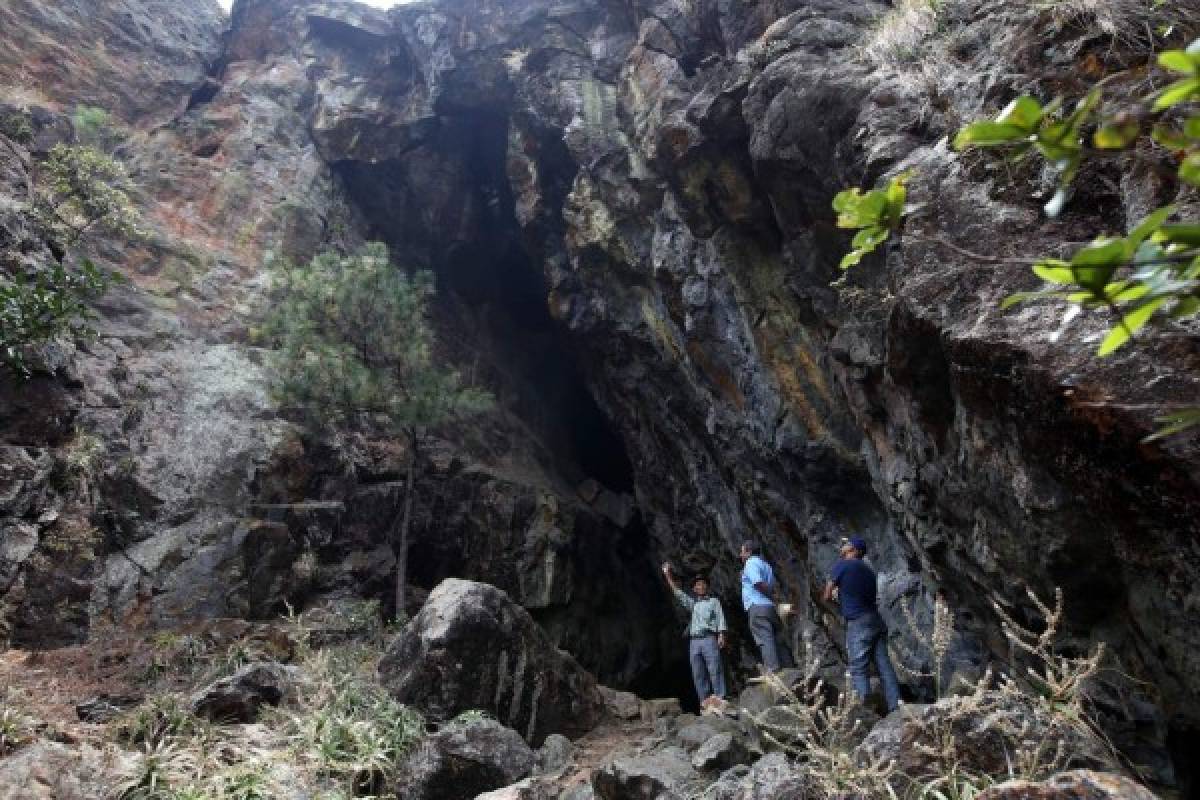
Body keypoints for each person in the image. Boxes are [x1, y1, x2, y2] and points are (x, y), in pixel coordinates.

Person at [822, 536, 901, 712]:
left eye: (847, 545)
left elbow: (826, 595)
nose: (843, 547)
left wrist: (838, 606)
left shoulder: (842, 565)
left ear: (855, 551)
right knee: (884, 667)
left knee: (858, 669)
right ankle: (897, 708)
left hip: (858, 622)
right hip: (875, 620)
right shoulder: (869, 571)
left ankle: (865, 713)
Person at [662, 563, 727, 709]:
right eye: (698, 584)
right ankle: (704, 701)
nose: (701, 586)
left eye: (703, 584)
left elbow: (720, 617)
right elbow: (677, 593)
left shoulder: (714, 602)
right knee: (698, 672)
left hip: (709, 638)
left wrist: (722, 634)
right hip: (694, 642)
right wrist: (667, 574)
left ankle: (720, 697)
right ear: (694, 589)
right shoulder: (693, 605)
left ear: (707, 587)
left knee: (715, 668)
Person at [738, 541, 794, 673]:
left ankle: (773, 671)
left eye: (742, 551)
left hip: (757, 606)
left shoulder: (750, 563)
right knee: (777, 639)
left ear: (749, 552)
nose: (740, 555)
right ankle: (789, 669)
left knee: (765, 639)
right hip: (769, 607)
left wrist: (768, 594)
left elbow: (757, 582)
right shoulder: (766, 565)